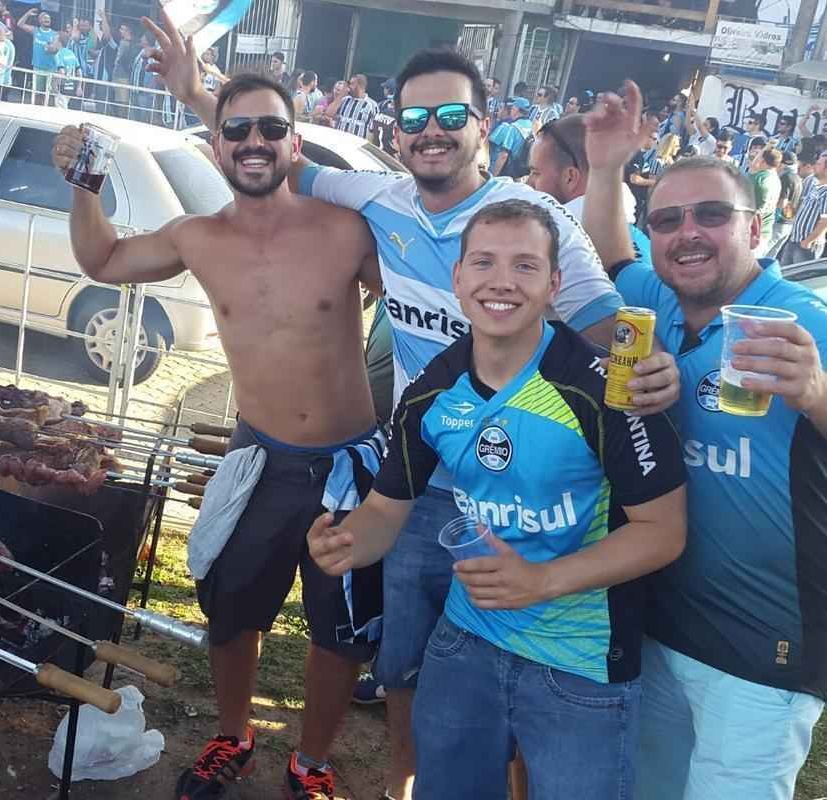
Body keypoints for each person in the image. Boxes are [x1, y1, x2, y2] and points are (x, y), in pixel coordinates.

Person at [144, 26, 681, 797]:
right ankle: (407, 784)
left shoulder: (531, 218)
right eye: (416, 117)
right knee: (403, 661)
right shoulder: (377, 197)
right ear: (395, 130)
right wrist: (198, 93)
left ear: (484, 125)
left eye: (451, 116)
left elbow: (605, 331)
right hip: (420, 477)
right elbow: (271, 151)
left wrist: (648, 368)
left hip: (523, 487)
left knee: (524, 659)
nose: (432, 131)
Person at [54, 71, 385, 800]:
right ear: (216, 144)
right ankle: (233, 736)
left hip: (348, 470)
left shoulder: (346, 231)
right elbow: (101, 260)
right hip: (259, 460)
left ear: (295, 143)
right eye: (237, 130)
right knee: (231, 611)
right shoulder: (197, 237)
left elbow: (425, 299)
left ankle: (311, 762)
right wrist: (85, 185)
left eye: (271, 128)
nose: (254, 142)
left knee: (340, 632)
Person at [307, 198, 688, 799]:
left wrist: (542, 580)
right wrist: (345, 541)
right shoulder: (433, 390)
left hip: (580, 661)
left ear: (554, 284)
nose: (502, 281)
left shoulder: (604, 388)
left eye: (525, 265)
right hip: (467, 643)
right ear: (458, 278)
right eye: (484, 262)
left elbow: (663, 531)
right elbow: (384, 511)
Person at [582, 78, 827, 800]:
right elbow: (609, 249)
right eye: (667, 220)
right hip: (660, 623)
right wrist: (606, 167)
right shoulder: (655, 301)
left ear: (756, 227)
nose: (687, 232)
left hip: (764, 646)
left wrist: (816, 394)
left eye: (712, 214)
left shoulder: (805, 319)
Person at [527, 114, 650, 261]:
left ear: (570, 177)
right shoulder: (646, 247)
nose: (528, 183)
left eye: (536, 173)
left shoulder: (559, 253)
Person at [779, 149, 827, 265]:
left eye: (819, 164)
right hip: (794, 240)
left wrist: (808, 241)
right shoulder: (814, 186)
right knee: (785, 273)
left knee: (800, 275)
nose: (814, 166)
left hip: (807, 246)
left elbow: (825, 221)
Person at [18, 8, 59, 103]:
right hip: (38, 67)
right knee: (37, 94)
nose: (47, 19)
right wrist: (28, 13)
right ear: (39, 20)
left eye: (48, 18)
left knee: (50, 94)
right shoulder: (36, 31)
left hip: (51, 68)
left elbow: (55, 50)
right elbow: (20, 24)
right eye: (44, 18)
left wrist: (52, 48)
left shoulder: (55, 34)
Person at [488, 96, 533, 176]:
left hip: (508, 173)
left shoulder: (513, 128)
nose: (511, 110)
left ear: (516, 110)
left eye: (512, 108)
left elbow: (504, 155)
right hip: (523, 174)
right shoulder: (531, 126)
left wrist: (493, 176)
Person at [750, 147, 782, 256]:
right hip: (765, 230)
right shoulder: (776, 179)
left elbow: (752, 166)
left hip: (751, 232)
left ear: (763, 161)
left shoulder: (759, 178)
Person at [328, 74, 379, 139]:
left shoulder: (372, 105)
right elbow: (328, 114)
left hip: (358, 143)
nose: (349, 86)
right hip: (339, 140)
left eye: (352, 84)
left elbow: (375, 130)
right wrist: (341, 95)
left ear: (360, 86)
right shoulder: (344, 100)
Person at [627, 126, 660, 227]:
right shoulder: (636, 154)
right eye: (654, 139)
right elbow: (634, 179)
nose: (656, 142)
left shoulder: (640, 154)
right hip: (630, 200)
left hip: (635, 200)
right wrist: (656, 182)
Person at [774, 150, 802, 252]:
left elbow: (782, 202)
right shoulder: (798, 178)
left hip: (778, 223)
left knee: (762, 253)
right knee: (772, 254)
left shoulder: (786, 177)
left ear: (782, 164)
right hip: (788, 224)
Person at [371, 78, 398, 156]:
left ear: (390, 90)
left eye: (385, 88)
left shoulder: (381, 105)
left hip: (378, 150)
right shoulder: (382, 104)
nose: (384, 90)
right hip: (387, 152)